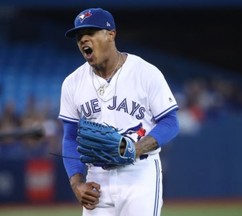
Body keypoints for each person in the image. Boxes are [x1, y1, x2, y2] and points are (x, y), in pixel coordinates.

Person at [59, 8, 180, 216]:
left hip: (139, 174)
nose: (83, 40)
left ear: (111, 34)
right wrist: (77, 183)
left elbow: (171, 122)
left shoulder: (145, 73)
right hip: (96, 177)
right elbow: (70, 138)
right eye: (79, 36)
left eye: (91, 32)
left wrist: (137, 148)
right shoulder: (72, 83)